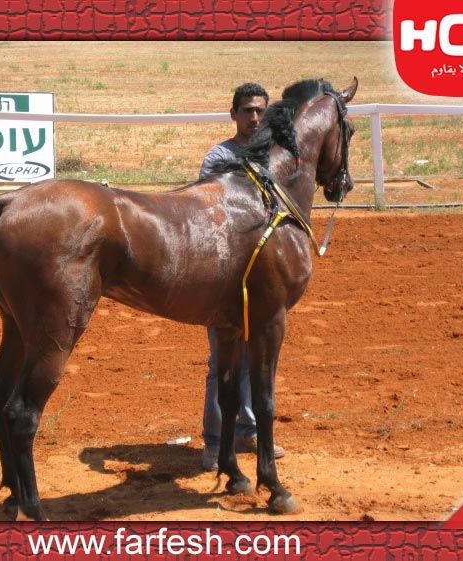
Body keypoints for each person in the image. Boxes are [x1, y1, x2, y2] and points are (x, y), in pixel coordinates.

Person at [199, 82, 285, 471]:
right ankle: (215, 441)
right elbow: (210, 207)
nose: (254, 117)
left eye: (260, 111)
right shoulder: (218, 157)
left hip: (261, 276)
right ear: (233, 114)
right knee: (223, 361)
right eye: (247, 110)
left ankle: (248, 432)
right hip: (224, 278)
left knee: (255, 358)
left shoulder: (275, 157)